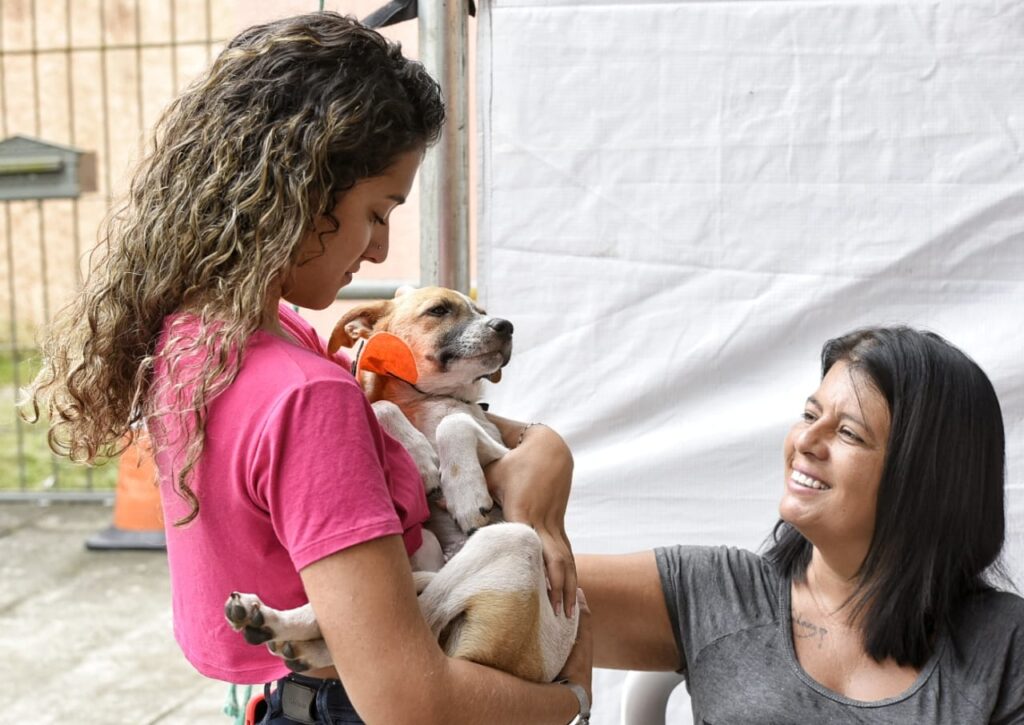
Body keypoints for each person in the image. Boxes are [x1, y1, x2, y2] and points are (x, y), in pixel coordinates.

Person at [24, 12, 591, 725]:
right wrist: (569, 696)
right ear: (302, 189)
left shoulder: (197, 339)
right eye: (378, 211)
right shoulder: (307, 395)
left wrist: (543, 444)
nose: (380, 251)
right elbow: (411, 700)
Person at [578, 326, 1024, 723]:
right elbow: (515, 585)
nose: (805, 441)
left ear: (926, 481)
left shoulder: (1005, 647)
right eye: (811, 415)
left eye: (848, 433)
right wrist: (536, 445)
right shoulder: (715, 594)